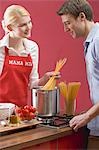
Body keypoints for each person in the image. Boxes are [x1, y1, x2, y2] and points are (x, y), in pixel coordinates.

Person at [0, 5, 59, 107]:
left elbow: (32, 84)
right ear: (9, 27)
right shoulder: (1, 49)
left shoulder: (32, 48)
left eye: (29, 22)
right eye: (22, 25)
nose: (28, 27)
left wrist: (45, 79)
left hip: (21, 111)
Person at [57, 0, 99, 143]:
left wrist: (88, 116)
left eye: (67, 23)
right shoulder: (91, 42)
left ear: (82, 16)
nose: (65, 29)